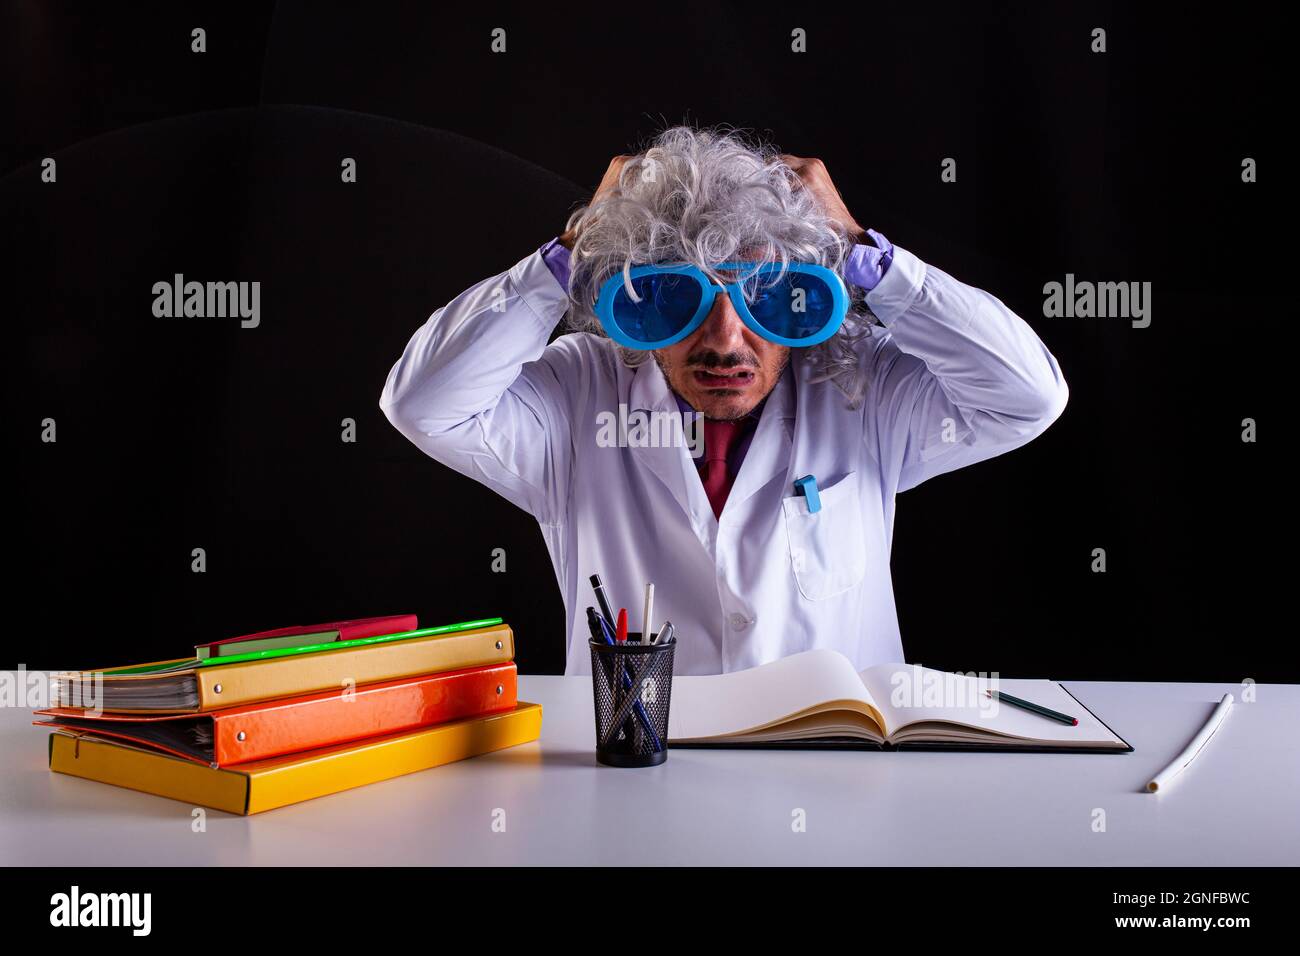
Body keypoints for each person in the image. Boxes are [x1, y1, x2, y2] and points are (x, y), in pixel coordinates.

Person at [380, 126, 1068, 675]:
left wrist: (865, 254)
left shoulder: (863, 389)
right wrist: (567, 255)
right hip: (640, 788)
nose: (724, 340)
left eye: (763, 294)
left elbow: (1026, 395)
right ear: (636, 301)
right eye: (681, 295)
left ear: (806, 296)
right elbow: (424, 403)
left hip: (842, 787)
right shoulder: (578, 394)